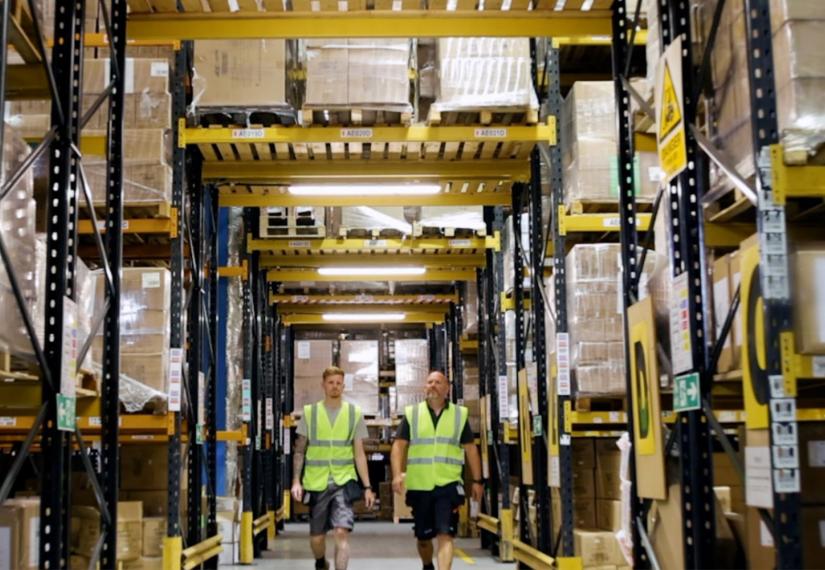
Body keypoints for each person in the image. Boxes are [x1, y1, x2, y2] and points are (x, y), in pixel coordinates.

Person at [391, 370, 483, 570]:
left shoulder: (459, 415)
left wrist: (477, 481)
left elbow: (470, 449)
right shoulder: (413, 414)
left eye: (438, 382)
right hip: (420, 485)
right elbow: (398, 446)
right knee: (424, 538)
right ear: (425, 387)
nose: (433, 385)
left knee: (445, 533)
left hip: (448, 485)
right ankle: (427, 565)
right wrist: (397, 474)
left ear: (447, 389)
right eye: (429, 382)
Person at [291, 366, 376, 570]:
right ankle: (321, 562)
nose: (335, 387)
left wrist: (367, 487)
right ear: (323, 385)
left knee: (341, 532)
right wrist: (296, 481)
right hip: (316, 482)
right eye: (331, 383)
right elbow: (300, 450)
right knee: (317, 539)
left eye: (338, 383)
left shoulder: (354, 414)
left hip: (343, 481)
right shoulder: (310, 413)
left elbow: (359, 454)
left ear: (343, 386)